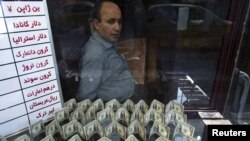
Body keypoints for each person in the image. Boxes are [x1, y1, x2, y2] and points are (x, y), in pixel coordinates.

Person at [76, 0, 135, 102]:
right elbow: (85, 97)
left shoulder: (106, 44)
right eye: (111, 22)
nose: (117, 28)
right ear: (96, 24)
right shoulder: (95, 54)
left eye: (119, 22)